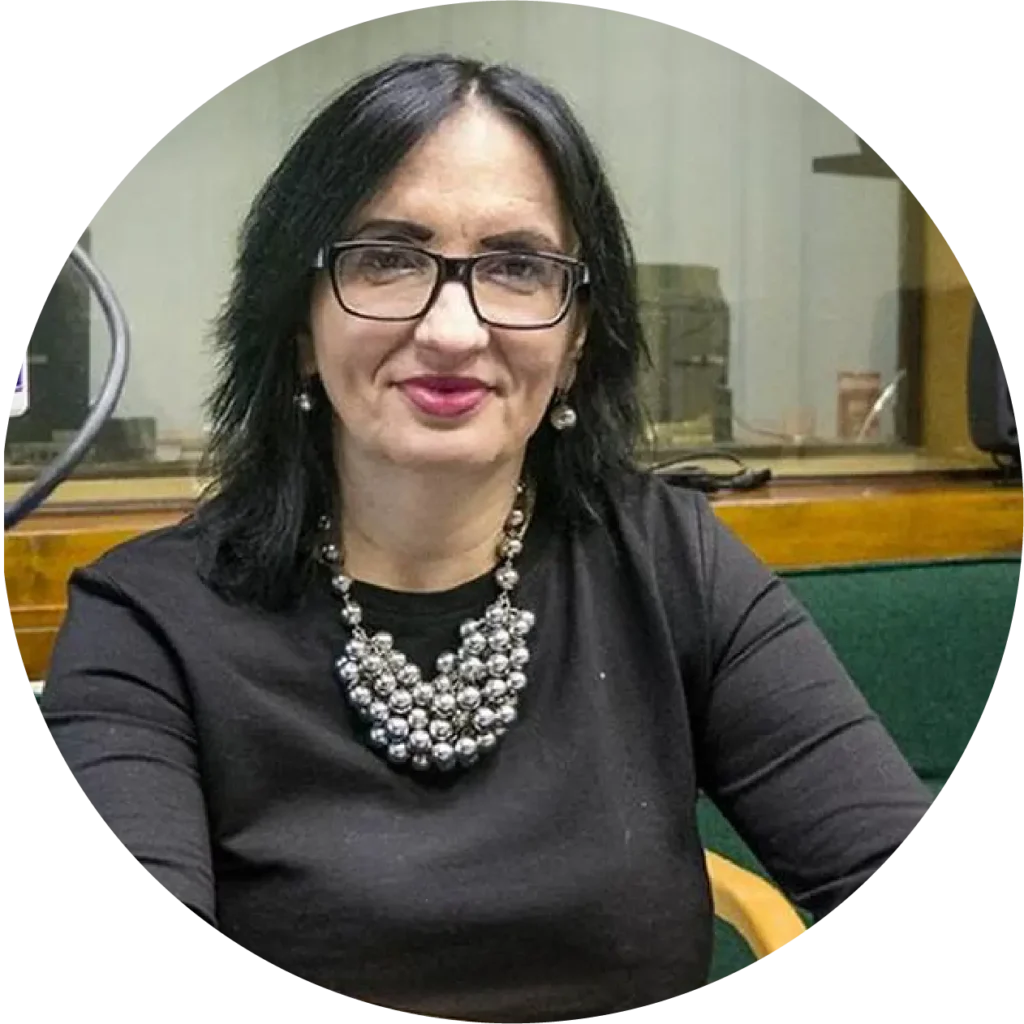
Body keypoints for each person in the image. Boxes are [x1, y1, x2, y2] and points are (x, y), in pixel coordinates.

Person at [39, 53, 935, 1020]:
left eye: (517, 266)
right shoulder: (144, 625)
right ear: (299, 321)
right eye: (386, 257)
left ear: (580, 331)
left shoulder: (678, 564)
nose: (455, 329)